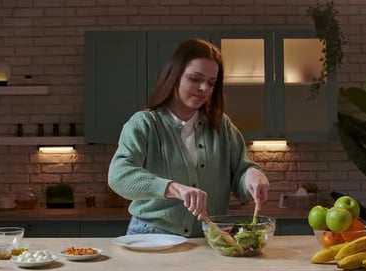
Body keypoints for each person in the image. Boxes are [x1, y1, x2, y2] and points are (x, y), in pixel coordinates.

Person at [108, 38, 270, 237]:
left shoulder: (222, 125)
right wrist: (173, 188)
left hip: (208, 238)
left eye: (211, 83)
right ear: (174, 76)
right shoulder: (145, 123)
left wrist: (252, 175)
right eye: (195, 79)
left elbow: (241, 172)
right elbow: (119, 176)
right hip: (151, 236)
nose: (204, 89)